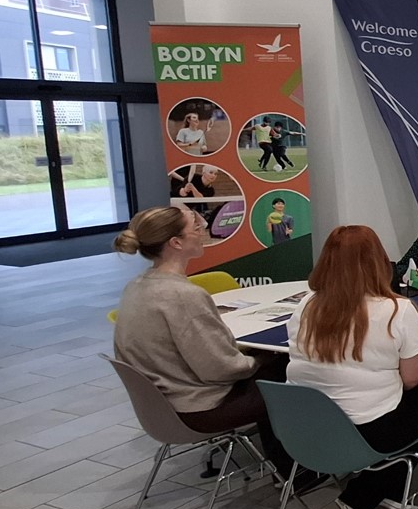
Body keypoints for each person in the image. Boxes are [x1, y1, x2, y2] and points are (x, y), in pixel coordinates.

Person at [110, 206, 303, 483]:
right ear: (176, 243)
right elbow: (222, 369)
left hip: (163, 406)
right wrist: (259, 360)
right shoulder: (183, 296)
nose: (204, 231)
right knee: (292, 368)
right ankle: (295, 471)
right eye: (197, 227)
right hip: (201, 408)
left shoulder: (136, 286)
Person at [287, 226, 418, 509]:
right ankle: (365, 495)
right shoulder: (397, 310)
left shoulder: (305, 305)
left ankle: (373, 494)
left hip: (307, 425)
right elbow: (413, 378)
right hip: (367, 429)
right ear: (378, 262)